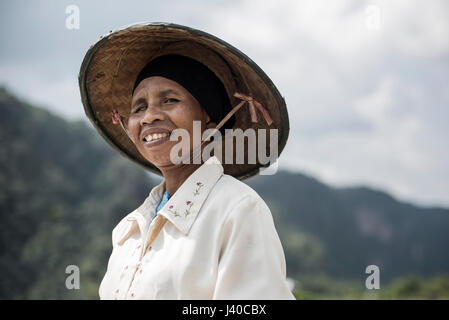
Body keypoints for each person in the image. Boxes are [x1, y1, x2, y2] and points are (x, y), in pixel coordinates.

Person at [79, 22, 294, 299]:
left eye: (169, 100)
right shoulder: (128, 230)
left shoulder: (237, 210)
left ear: (210, 124)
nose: (148, 117)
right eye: (139, 107)